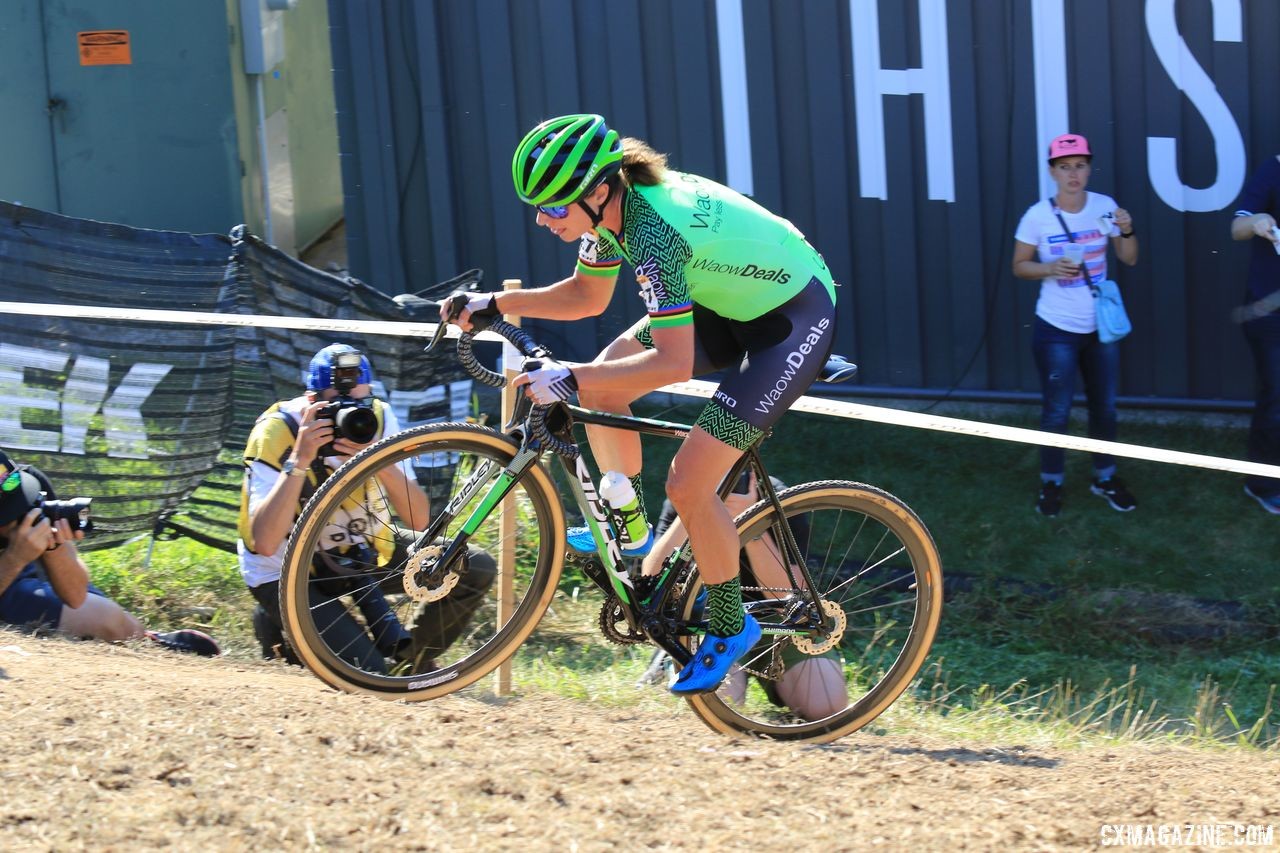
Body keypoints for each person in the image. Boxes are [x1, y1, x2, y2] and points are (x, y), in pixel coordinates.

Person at [442, 113, 838, 694]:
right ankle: (629, 526)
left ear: (598, 191)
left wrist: (569, 374)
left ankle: (731, 628)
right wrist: (495, 304)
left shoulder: (652, 231)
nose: (542, 219)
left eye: (553, 207)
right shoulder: (608, 217)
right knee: (604, 382)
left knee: (689, 484)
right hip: (729, 299)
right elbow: (586, 294)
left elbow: (672, 363)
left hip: (791, 318)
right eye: (539, 207)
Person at [237, 343, 496, 672]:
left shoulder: (375, 418)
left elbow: (418, 518)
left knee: (474, 564)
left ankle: (410, 659)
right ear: (312, 401)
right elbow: (264, 542)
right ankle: (281, 623)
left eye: (359, 403)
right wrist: (299, 461)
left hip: (360, 551)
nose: (350, 415)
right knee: (370, 677)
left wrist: (377, 459)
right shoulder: (277, 432)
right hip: (286, 571)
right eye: (337, 406)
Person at [639, 470, 848, 720]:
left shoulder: (778, 497)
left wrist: (749, 524)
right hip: (708, 623)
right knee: (716, 702)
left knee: (827, 706)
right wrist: (692, 510)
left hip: (775, 625)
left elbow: (790, 598)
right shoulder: (688, 489)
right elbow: (651, 577)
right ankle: (669, 660)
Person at [1011, 133, 1140, 517]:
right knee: (1057, 411)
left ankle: (1105, 476)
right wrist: (1050, 268)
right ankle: (1051, 483)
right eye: (1065, 167)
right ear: (1052, 172)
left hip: (1099, 328)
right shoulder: (1037, 216)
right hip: (1056, 329)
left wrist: (1128, 229)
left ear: (1089, 168)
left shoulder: (1104, 206)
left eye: (1080, 166)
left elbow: (1129, 258)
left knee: (1106, 408)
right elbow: (1019, 266)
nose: (1073, 174)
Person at [0, 450, 220, 655]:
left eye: (22, 498)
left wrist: (53, 546)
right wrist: (15, 558)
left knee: (109, 615)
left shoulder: (33, 485)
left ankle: (141, 638)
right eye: (9, 511)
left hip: (25, 575)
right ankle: (135, 639)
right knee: (104, 617)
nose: (22, 511)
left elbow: (76, 596)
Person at [1230, 156, 1280, 515]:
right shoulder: (1273, 169)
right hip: (1269, 313)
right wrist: (1258, 221)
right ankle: (1261, 482)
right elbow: (1237, 227)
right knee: (1276, 399)